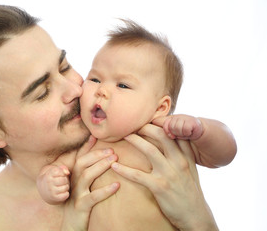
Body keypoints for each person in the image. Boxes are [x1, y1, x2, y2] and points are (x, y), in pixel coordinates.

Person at [0, 5, 222, 231]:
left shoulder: (161, 155)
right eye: (42, 92)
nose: (75, 89)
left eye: (65, 66)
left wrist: (199, 219)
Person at [37, 20, 237, 230]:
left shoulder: (166, 135)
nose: (101, 90)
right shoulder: (84, 143)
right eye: (95, 79)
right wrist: (49, 183)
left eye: (122, 84)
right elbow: (53, 172)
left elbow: (225, 153)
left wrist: (202, 129)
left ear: (160, 108)